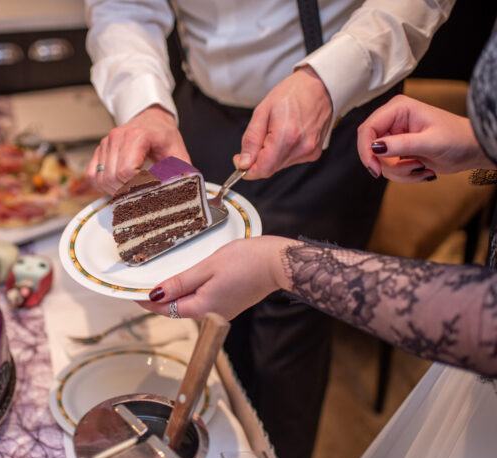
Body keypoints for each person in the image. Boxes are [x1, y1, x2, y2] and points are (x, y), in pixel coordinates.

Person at [83, 0, 454, 458]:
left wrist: (330, 77)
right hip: (200, 121)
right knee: (216, 333)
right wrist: (142, 101)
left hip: (334, 116)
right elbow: (122, 6)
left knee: (290, 344)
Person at [141, 29, 497, 379]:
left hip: (339, 128)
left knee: (290, 354)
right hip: (204, 105)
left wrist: (276, 266)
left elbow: (484, 319)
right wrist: (477, 144)